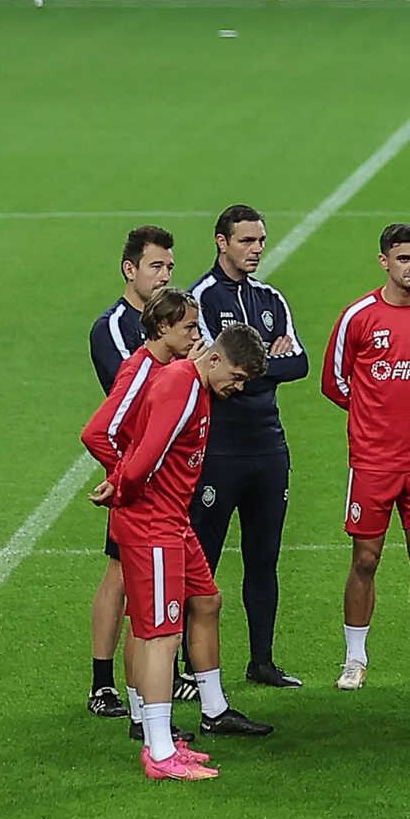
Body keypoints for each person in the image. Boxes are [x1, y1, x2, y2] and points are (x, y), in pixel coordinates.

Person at [84, 323, 273, 780]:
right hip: (153, 523)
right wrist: (123, 485)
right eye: (238, 376)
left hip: (174, 521)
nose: (239, 386)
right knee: (160, 635)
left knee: (206, 599)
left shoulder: (193, 384)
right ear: (215, 359)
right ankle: (160, 750)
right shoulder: (184, 386)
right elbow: (149, 451)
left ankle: (202, 715)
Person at [322, 223, 410, 691]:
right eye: (404, 259)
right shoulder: (358, 317)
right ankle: (354, 659)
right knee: (365, 559)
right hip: (372, 462)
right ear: (385, 262)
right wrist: (372, 418)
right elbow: (335, 383)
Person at [187, 204, 307, 688]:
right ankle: (189, 668)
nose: (256, 249)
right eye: (246, 241)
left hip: (268, 449)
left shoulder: (271, 299)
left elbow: (298, 363)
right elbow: (213, 371)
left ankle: (262, 661)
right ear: (221, 241)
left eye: (260, 240)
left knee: (265, 556)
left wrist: (249, 369)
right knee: (203, 560)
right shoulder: (201, 298)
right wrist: (264, 363)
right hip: (218, 450)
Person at [81, 286, 207, 741]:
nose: (198, 334)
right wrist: (127, 476)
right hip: (142, 510)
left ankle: (141, 716)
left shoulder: (164, 368)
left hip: (148, 504)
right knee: (148, 618)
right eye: (190, 326)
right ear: (162, 328)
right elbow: (98, 432)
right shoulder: (140, 370)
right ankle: (145, 721)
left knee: (144, 612)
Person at [84, 224, 176, 718]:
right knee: (121, 573)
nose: (163, 275)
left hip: (164, 470)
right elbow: (136, 394)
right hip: (133, 469)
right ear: (130, 269)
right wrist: (125, 475)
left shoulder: (168, 322)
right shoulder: (115, 328)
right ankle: (104, 685)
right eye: (155, 266)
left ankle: (159, 675)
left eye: (168, 267)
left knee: (159, 574)